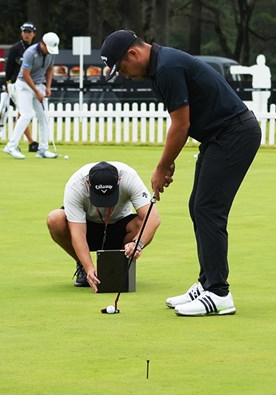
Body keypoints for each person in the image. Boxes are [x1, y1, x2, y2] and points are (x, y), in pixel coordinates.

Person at [101, 30, 262, 316]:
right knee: (197, 206)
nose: (124, 75)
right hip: (217, 137)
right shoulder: (161, 67)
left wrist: (162, 166)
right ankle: (207, 282)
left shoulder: (168, 68)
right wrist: (170, 159)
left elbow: (181, 124)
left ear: (133, 54)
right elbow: (185, 122)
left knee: (208, 209)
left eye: (122, 68)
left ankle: (219, 293)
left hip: (234, 134)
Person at [46, 161, 161, 292]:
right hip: (88, 227)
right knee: (55, 218)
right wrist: (88, 267)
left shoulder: (129, 177)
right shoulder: (75, 185)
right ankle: (83, 267)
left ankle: (120, 264)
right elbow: (78, 233)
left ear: (119, 180)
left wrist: (137, 243)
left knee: (142, 224)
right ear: (88, 183)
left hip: (119, 226)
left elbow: (153, 218)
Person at [3, 32, 60, 160]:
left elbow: (50, 69)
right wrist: (37, 91)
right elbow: (25, 74)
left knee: (44, 117)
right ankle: (11, 146)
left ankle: (43, 150)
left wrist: (48, 87)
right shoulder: (30, 52)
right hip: (24, 85)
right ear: (42, 44)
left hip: (39, 85)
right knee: (27, 114)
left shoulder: (51, 52)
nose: (49, 51)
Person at [0, 22, 39, 152]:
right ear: (21, 33)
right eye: (24, 32)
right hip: (16, 84)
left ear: (34, 34)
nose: (26, 34)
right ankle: (29, 142)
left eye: (29, 32)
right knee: (24, 113)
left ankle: (20, 143)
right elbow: (8, 69)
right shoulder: (15, 49)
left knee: (23, 114)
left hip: (31, 84)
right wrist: (8, 83)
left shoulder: (36, 49)